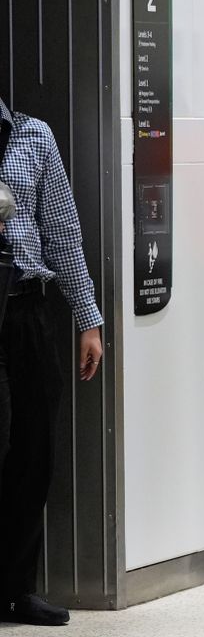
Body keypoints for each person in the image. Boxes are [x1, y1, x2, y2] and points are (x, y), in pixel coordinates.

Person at [0, 98, 104, 627]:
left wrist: (88, 317)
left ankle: (15, 588)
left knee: (35, 447)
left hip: (25, 308)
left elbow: (62, 234)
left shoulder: (32, 135)